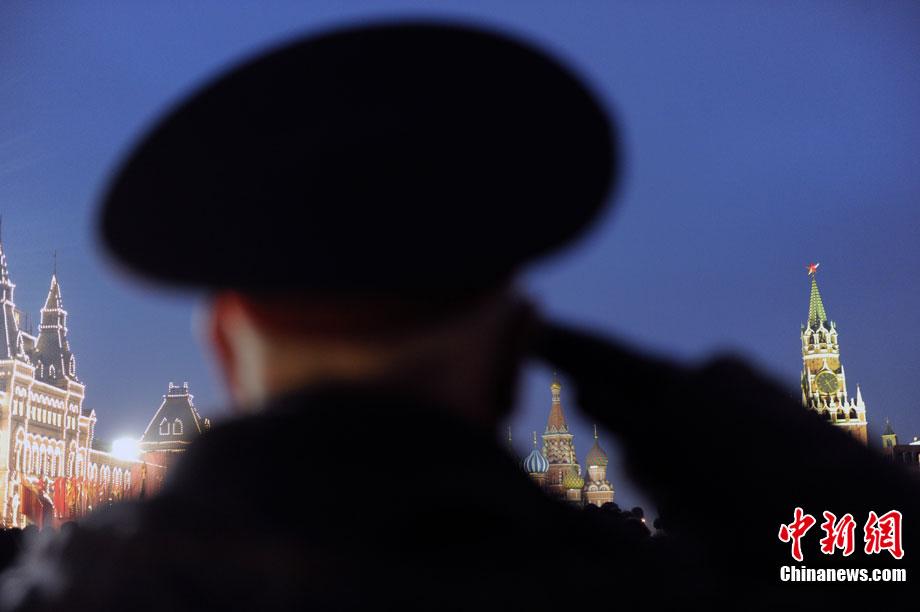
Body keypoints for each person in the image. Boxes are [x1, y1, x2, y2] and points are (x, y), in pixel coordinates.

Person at [1, 20, 917, 611]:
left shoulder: (69, 591)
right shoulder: (626, 590)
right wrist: (688, 405)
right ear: (519, 351)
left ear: (222, 340)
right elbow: (878, 557)